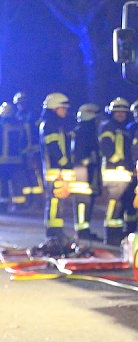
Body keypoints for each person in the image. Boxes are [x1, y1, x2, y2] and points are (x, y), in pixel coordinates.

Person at [99, 97, 138, 244]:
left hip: (125, 173)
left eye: (123, 112)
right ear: (112, 113)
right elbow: (106, 146)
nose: (120, 114)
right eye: (117, 112)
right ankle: (111, 235)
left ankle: (126, 233)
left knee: (127, 204)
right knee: (114, 204)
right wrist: (116, 159)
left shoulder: (125, 129)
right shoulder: (108, 126)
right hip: (113, 171)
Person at [37, 92, 74, 240]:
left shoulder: (55, 124)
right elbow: (53, 147)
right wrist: (65, 162)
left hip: (57, 169)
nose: (65, 111)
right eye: (62, 108)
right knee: (54, 201)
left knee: (57, 201)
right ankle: (54, 231)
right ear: (54, 108)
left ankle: (56, 230)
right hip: (55, 169)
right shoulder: (49, 125)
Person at [70, 103, 102, 240]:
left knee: (86, 202)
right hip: (83, 172)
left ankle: (85, 229)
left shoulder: (84, 131)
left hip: (86, 171)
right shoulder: (84, 132)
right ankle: (83, 231)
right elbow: (80, 155)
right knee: (83, 202)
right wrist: (91, 160)